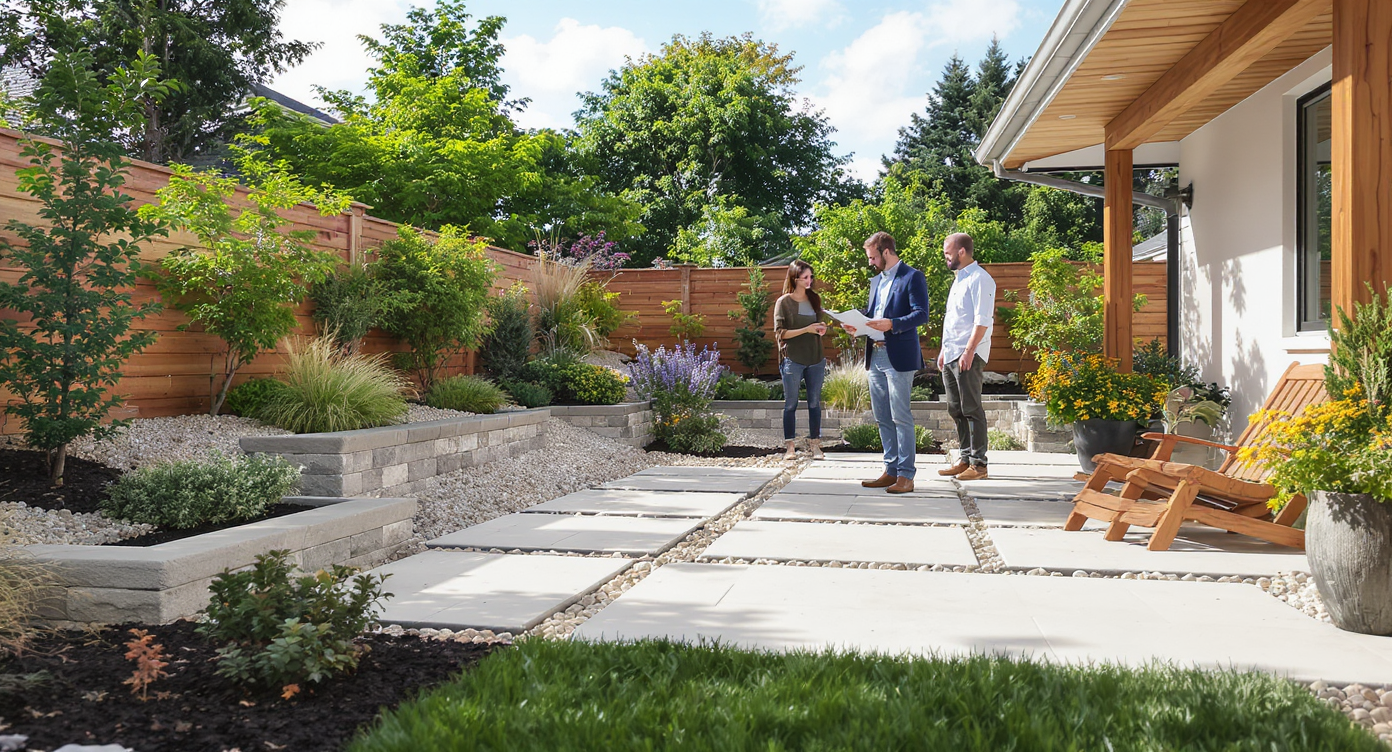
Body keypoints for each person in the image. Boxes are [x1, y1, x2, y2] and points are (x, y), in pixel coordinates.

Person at [842, 231, 929, 494]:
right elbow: (873, 315)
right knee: (882, 417)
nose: (870, 262)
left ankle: (906, 475)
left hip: (899, 355)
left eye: (872, 257)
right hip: (875, 354)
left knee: (900, 416)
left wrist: (893, 324)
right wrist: (857, 325)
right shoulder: (876, 281)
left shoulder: (912, 277)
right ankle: (891, 470)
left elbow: (921, 314)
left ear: (885, 252)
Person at [936, 232, 996, 481]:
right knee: (955, 408)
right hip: (951, 353)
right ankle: (964, 458)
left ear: (961, 251)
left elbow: (982, 320)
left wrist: (969, 350)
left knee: (971, 407)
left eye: (947, 253)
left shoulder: (981, 279)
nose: (945, 258)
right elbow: (954, 319)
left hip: (968, 353)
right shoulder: (958, 279)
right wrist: (943, 350)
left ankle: (979, 464)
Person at [773, 260, 829, 461]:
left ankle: (815, 446)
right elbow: (780, 334)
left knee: (814, 403)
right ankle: (790, 447)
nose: (809, 281)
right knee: (791, 404)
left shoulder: (814, 299)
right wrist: (807, 329)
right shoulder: (783, 302)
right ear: (794, 278)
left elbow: (820, 324)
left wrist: (821, 329)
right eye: (805, 277)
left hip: (815, 358)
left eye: (811, 277)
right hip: (793, 360)